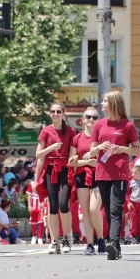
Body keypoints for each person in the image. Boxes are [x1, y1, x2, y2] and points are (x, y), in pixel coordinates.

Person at [89, 91, 140, 260]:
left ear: (113, 103)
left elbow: (137, 149)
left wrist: (123, 149)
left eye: (104, 101)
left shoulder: (127, 125)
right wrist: (99, 148)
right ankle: (115, 245)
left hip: (119, 173)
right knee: (109, 209)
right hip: (102, 173)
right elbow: (91, 150)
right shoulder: (99, 125)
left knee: (116, 209)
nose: (102, 104)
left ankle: (113, 243)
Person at [35, 102, 76, 254]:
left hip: (65, 168)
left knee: (63, 203)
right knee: (52, 205)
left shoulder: (71, 131)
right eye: (53, 111)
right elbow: (39, 155)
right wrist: (52, 148)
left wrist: (74, 164)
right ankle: (54, 240)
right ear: (49, 113)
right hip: (50, 168)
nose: (55, 114)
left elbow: (73, 152)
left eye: (59, 111)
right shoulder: (45, 131)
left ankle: (66, 237)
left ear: (63, 114)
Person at [68, 107, 105, 255]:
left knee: (94, 209)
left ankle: (101, 238)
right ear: (83, 119)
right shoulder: (77, 138)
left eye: (94, 117)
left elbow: (106, 158)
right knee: (85, 212)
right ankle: (90, 244)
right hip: (81, 174)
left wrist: (94, 163)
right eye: (88, 117)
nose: (91, 119)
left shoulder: (102, 137)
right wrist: (87, 163)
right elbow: (71, 162)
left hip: (98, 175)